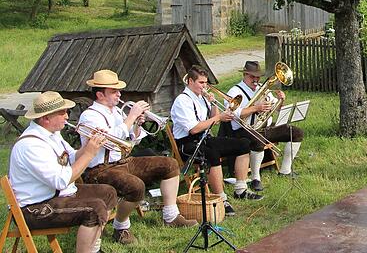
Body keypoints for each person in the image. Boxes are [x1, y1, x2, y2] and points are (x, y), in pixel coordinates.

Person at [78, 70, 196, 245]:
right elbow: (112, 139)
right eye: (114, 91)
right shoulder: (90, 116)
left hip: (124, 160)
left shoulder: (117, 112)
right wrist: (131, 116)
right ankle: (121, 227)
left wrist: (136, 125)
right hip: (100, 169)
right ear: (100, 94)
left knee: (170, 164)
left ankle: (170, 216)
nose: (119, 94)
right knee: (135, 186)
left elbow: (132, 140)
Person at [10, 91, 118, 253]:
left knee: (108, 192)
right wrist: (89, 153)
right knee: (94, 210)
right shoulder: (31, 146)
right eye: (62, 113)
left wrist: (89, 144)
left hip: (56, 195)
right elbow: (61, 181)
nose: (67, 117)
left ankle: (93, 247)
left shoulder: (52, 134)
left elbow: (72, 158)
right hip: (34, 208)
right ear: (46, 118)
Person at [170, 65, 263, 217]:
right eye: (201, 83)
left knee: (244, 143)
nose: (204, 86)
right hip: (187, 144)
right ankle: (221, 198)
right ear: (190, 81)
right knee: (213, 154)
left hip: (204, 138)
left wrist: (213, 104)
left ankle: (241, 189)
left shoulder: (201, 97)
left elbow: (214, 120)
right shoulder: (182, 101)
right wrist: (218, 117)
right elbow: (193, 129)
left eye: (206, 83)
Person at [226, 60, 304, 192]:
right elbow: (234, 114)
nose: (255, 80)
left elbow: (276, 108)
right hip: (243, 129)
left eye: (257, 77)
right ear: (244, 75)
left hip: (264, 127)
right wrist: (256, 108)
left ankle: (285, 170)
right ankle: (256, 178)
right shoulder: (234, 91)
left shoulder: (263, 88)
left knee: (296, 132)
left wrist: (281, 100)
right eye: (252, 77)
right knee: (258, 140)